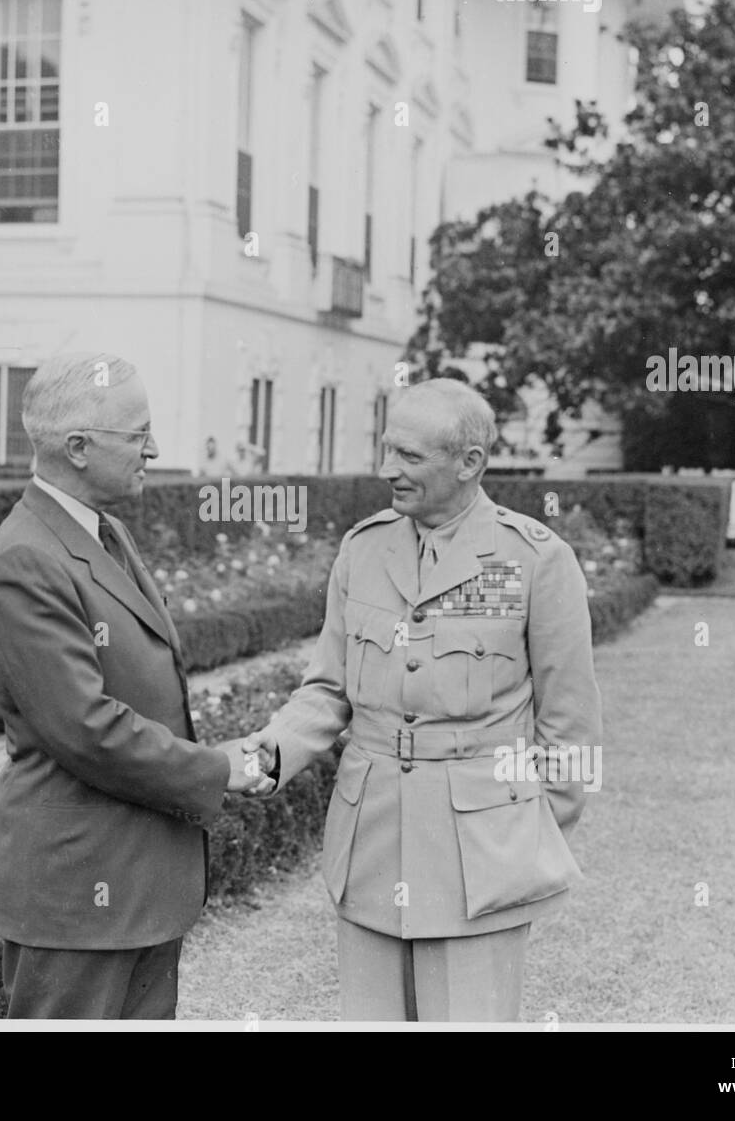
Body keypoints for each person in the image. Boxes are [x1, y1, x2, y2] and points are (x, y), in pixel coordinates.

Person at [243, 379, 601, 1022]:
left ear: (469, 463)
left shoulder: (534, 562)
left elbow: (570, 728)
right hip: (372, 841)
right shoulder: (364, 548)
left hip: (481, 857)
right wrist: (268, 755)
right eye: (386, 451)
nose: (388, 471)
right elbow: (327, 690)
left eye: (409, 457)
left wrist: (529, 836)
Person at [0, 351, 272, 1020]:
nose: (154, 449)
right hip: (79, 890)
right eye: (138, 435)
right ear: (77, 448)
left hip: (136, 885)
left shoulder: (105, 532)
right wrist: (219, 768)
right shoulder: (27, 556)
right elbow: (86, 727)